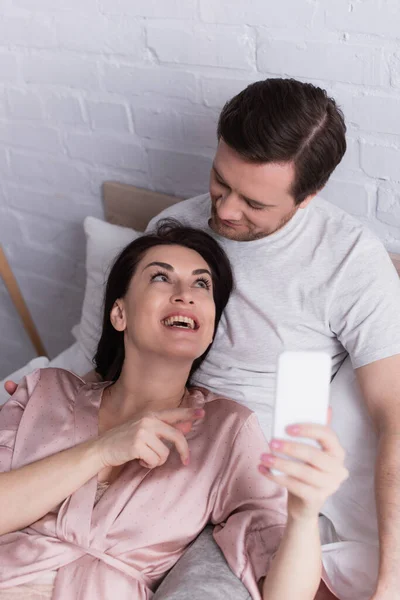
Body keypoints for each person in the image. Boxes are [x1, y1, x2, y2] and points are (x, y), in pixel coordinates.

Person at [4, 78, 400, 599]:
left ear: (308, 197)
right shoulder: (175, 225)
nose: (226, 211)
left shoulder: (351, 263)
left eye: (254, 204)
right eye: (219, 180)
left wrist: (388, 582)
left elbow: (392, 414)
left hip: (226, 475)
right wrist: (75, 421)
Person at [0, 221, 347, 600]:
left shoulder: (226, 430)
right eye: (161, 278)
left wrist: (302, 513)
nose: (186, 294)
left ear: (211, 327)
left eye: (202, 284)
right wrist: (101, 450)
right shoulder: (45, 390)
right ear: (120, 314)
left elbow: (284, 595)